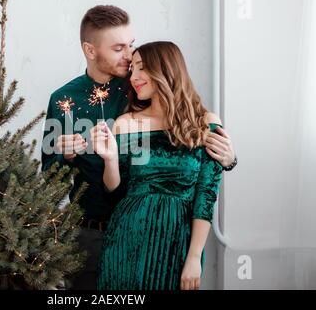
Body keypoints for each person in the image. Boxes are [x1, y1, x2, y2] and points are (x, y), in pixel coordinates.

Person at [41, 6, 236, 290]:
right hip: (91, 234)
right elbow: (48, 176)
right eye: (119, 48)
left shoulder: (141, 88)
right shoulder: (64, 99)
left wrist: (228, 158)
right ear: (90, 50)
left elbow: (184, 138)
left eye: (131, 45)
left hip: (159, 232)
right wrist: (65, 155)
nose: (129, 56)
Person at [92, 41, 224, 290]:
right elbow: (115, 191)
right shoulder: (126, 122)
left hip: (178, 240)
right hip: (126, 237)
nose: (134, 77)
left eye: (141, 68)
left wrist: (194, 256)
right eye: (132, 69)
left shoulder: (206, 123)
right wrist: (110, 159)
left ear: (165, 70)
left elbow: (206, 196)